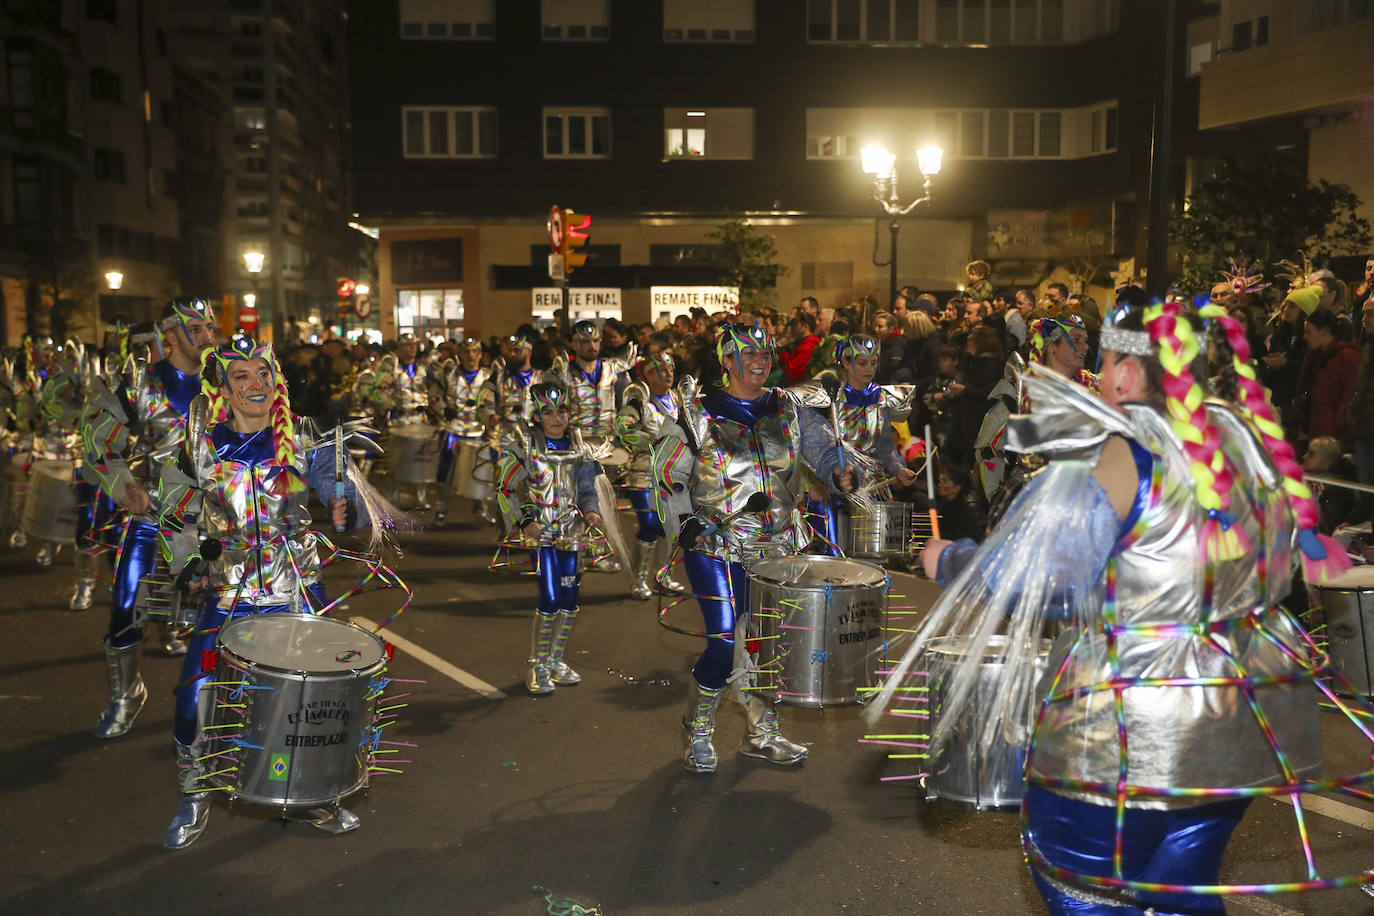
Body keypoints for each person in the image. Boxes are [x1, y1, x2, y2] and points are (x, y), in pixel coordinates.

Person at [875, 301, 1366, 914]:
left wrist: (947, 562)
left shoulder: (1122, 454)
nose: (1100, 381)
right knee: (1180, 885)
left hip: (1138, 723)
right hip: (1242, 714)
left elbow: (1046, 578)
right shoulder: (1245, 441)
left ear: (1131, 375)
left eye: (1106, 365)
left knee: (1078, 880)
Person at [158, 336, 372, 849]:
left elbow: (343, 494)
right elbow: (171, 512)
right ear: (225, 390)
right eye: (242, 377)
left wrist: (347, 508)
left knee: (310, 702)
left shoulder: (302, 440)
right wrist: (190, 561)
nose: (256, 384)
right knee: (195, 697)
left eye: (263, 373)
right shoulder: (200, 444)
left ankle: (311, 793)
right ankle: (194, 792)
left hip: (296, 587)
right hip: (230, 593)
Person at [651, 323, 853, 773]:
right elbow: (666, 475)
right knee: (724, 644)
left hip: (778, 544)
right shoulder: (695, 412)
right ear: (726, 360)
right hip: (717, 543)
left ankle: (762, 733)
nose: (761, 360)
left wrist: (838, 470)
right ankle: (698, 732)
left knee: (768, 644)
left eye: (766, 352)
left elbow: (822, 448)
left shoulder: (787, 405)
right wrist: (685, 525)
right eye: (749, 353)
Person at [81, 298, 217, 738]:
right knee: (125, 608)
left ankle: (218, 704)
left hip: (217, 520)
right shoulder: (141, 384)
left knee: (227, 618)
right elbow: (98, 440)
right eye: (197, 328)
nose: (209, 336)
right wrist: (125, 488)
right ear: (172, 335)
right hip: (155, 515)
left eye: (212, 327)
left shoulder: (230, 381)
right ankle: (126, 694)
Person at [496, 381, 609, 695]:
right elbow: (505, 489)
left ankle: (556, 660)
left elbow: (587, 489)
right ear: (537, 413)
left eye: (562, 411)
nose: (556, 418)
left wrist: (591, 513)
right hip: (542, 533)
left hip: (572, 532)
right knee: (550, 597)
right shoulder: (525, 444)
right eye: (548, 412)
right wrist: (525, 520)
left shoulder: (578, 444)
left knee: (570, 599)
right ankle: (538, 664)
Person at [793, 333, 917, 556]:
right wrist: (812, 483)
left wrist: (899, 469)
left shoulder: (880, 398)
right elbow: (808, 445)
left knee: (874, 560)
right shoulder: (826, 397)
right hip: (830, 486)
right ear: (845, 363)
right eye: (861, 363)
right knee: (832, 560)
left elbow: (883, 445)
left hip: (869, 487)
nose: (869, 368)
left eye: (873, 362)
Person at [615, 352, 685, 600]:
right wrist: (651, 441)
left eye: (671, 369)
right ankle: (639, 579)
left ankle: (664, 577)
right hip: (643, 474)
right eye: (661, 369)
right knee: (648, 524)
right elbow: (622, 427)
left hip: (674, 475)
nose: (668, 374)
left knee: (671, 528)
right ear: (647, 375)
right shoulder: (639, 399)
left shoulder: (680, 400)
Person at [434, 337, 495, 525]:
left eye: (475, 352)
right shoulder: (448, 374)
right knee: (444, 468)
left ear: (481, 355)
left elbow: (494, 402)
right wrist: (443, 409)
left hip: (478, 431)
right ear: (460, 354)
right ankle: (441, 507)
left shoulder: (488, 376)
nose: (471, 356)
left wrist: (488, 417)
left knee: (482, 470)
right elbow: (434, 395)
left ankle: (480, 509)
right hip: (453, 429)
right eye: (467, 352)